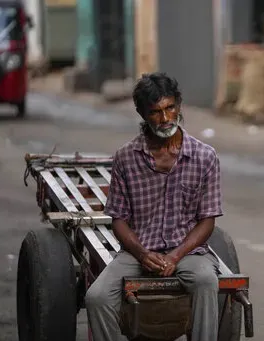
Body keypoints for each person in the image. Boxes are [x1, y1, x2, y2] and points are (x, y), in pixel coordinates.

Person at [85, 72, 223, 341]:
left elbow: (207, 220)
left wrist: (175, 256)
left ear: (179, 105)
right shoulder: (126, 157)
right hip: (138, 252)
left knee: (207, 282)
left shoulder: (205, 156)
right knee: (96, 298)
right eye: (156, 112)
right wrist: (141, 253)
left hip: (188, 253)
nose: (165, 118)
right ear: (142, 114)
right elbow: (119, 219)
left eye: (170, 108)